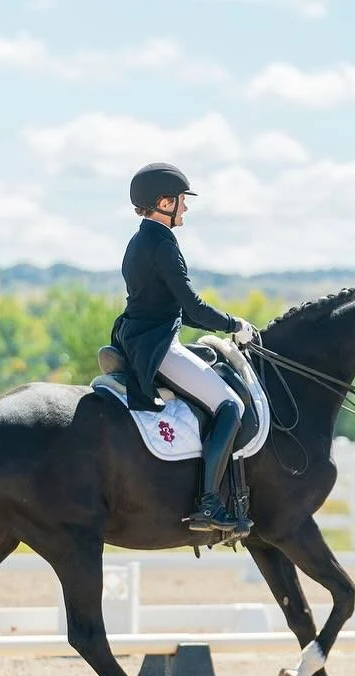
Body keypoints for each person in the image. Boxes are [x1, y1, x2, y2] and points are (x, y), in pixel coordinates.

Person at [110, 161, 255, 535]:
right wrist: (233, 324)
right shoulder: (162, 243)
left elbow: (170, 307)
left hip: (140, 337)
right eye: (181, 201)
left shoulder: (139, 239)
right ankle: (210, 502)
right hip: (157, 347)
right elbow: (192, 306)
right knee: (231, 405)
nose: (185, 208)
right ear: (163, 202)